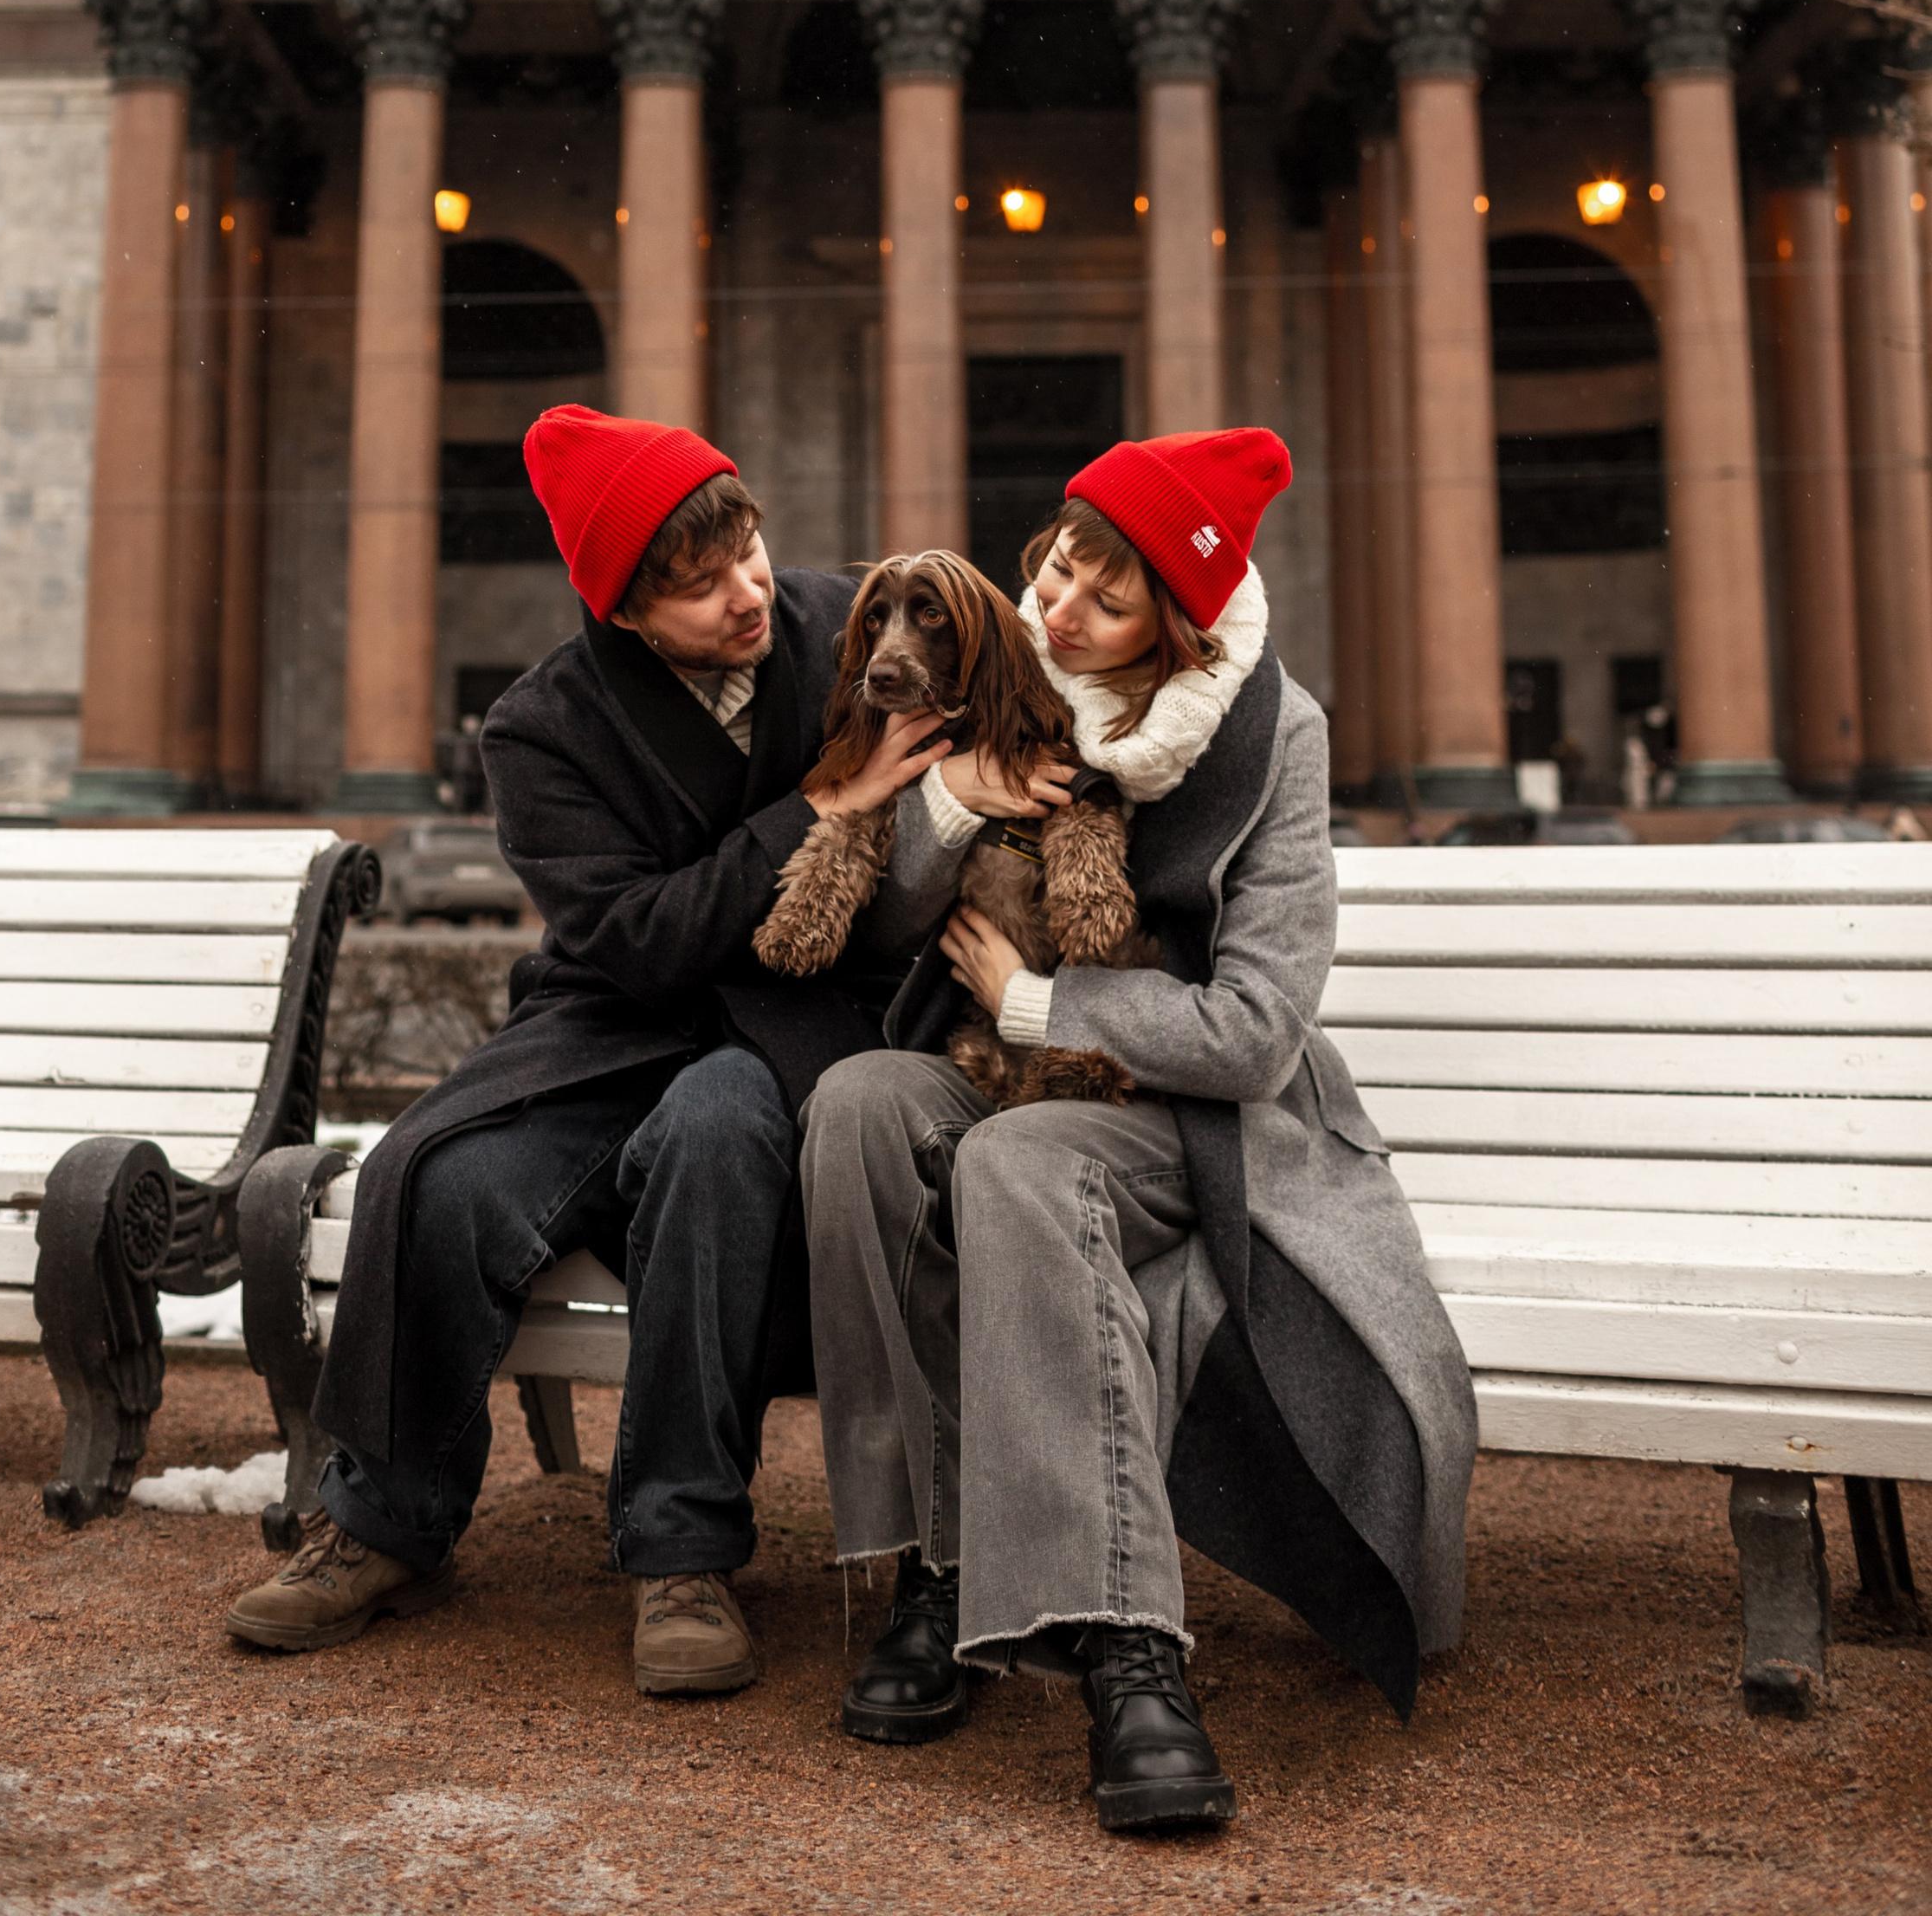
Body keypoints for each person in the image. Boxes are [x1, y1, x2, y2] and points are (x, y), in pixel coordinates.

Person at [801, 428, 1478, 1834]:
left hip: (1196, 1121)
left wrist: (1045, 999)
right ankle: (944, 1562)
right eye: (1057, 571)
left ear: (1175, 627)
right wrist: (943, 802)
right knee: (861, 1108)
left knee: (1020, 1161)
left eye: (1105, 605)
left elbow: (1254, 1033)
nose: (1056, 613)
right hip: (997, 1066)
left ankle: (1128, 1642)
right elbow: (885, 913)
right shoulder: (996, 683)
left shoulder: (1270, 735)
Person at [226, 405, 947, 1695]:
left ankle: (682, 1552)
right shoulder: (540, 726)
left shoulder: (853, 633)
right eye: (698, 584)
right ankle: (386, 1520)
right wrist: (820, 807)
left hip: (784, 1032)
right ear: (621, 608)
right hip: (611, 1022)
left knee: (723, 1134)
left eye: (749, 553)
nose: (747, 593)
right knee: (432, 1177)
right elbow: (636, 940)